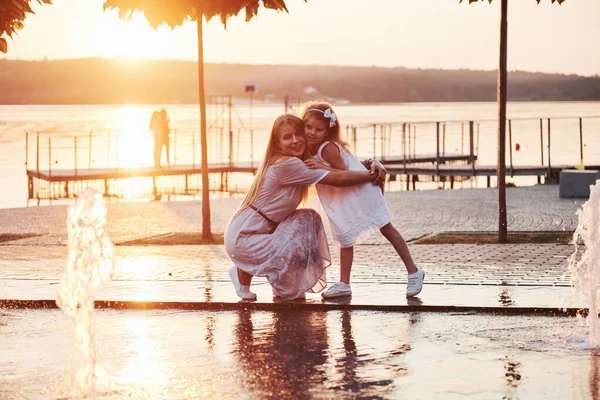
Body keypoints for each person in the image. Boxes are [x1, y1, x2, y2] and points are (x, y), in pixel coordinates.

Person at [224, 114, 386, 301]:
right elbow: (339, 178)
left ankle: (262, 278)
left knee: (307, 218)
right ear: (277, 143)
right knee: (304, 225)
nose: (294, 141)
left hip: (252, 231)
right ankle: (245, 273)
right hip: (243, 238)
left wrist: (370, 163)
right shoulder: (287, 165)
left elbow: (337, 163)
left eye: (297, 134)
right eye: (287, 137)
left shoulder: (298, 162)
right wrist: (371, 175)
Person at [301, 101, 425, 298]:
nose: (312, 132)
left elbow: (343, 173)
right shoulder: (312, 149)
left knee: (386, 228)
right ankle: (344, 283)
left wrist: (319, 165)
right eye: (308, 127)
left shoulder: (327, 149)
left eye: (318, 129)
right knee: (345, 237)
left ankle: (414, 271)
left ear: (326, 132)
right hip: (343, 198)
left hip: (360, 192)